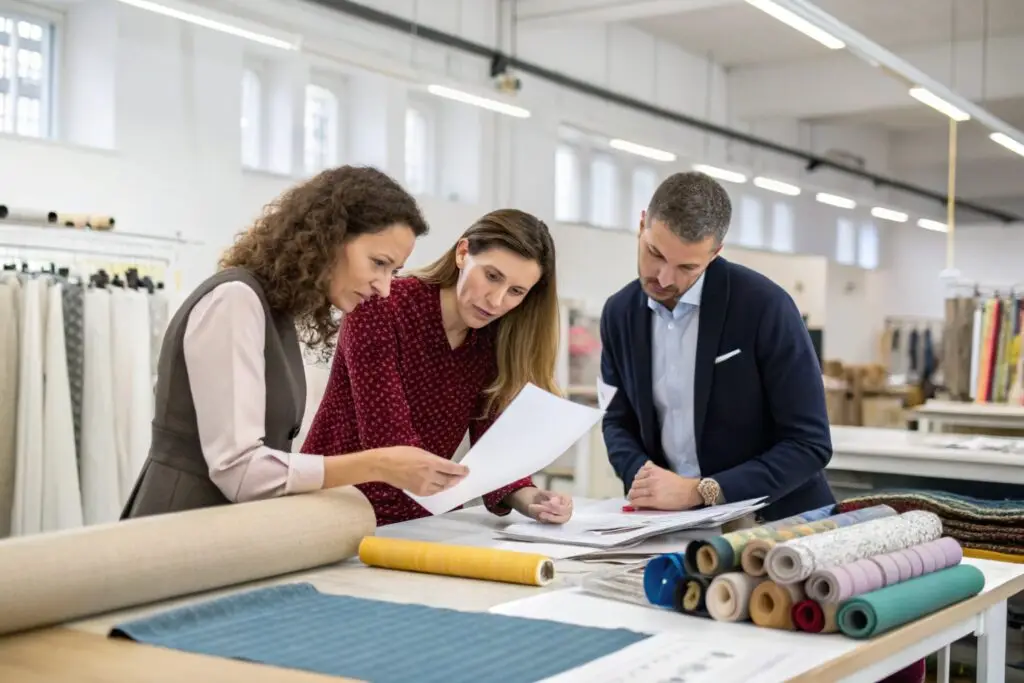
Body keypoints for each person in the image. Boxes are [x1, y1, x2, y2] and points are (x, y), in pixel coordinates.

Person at [121, 166, 470, 519]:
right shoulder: (235, 301)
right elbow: (239, 471)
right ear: (328, 238)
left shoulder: (273, 312)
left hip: (217, 532)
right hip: (177, 529)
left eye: (392, 272)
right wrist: (378, 464)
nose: (384, 287)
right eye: (378, 263)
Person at [301, 208, 574, 526]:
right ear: (462, 253)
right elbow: (389, 442)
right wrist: (458, 483)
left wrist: (529, 498)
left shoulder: (494, 339)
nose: (496, 300)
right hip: (336, 510)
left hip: (424, 520)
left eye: (516, 291)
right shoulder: (381, 306)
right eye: (491, 276)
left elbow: (491, 450)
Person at [599, 171, 834, 521]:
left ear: (715, 253)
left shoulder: (765, 307)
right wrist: (644, 478)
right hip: (671, 524)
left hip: (777, 521)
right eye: (655, 253)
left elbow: (809, 444)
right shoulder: (619, 313)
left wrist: (700, 491)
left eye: (687, 267)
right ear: (642, 224)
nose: (664, 278)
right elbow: (617, 419)